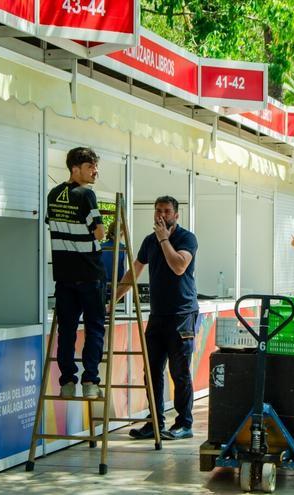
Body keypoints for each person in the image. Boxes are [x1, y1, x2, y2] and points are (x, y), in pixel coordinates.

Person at [112, 196, 198, 441]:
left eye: (167, 211)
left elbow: (179, 266)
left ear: (176, 215)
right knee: (151, 371)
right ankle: (155, 423)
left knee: (179, 371)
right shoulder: (149, 241)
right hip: (158, 314)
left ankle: (184, 423)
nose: (161, 215)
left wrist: (164, 239)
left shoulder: (186, 238)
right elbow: (134, 270)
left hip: (182, 314)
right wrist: (113, 300)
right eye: (158, 210)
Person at [47, 147, 106, 400]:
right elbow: (100, 233)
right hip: (90, 274)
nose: (95, 171)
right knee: (94, 328)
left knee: (67, 330)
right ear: (75, 168)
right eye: (90, 166)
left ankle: (67, 381)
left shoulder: (53, 194)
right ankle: (90, 381)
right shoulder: (86, 195)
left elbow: (52, 224)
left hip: (63, 275)